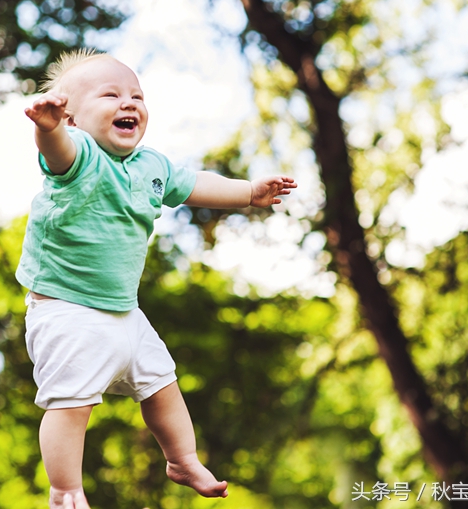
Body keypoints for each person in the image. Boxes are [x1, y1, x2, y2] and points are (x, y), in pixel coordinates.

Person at [17, 49, 296, 509]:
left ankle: (183, 459)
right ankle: (65, 489)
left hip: (125, 311)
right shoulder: (79, 154)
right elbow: (58, 152)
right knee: (71, 404)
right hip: (67, 310)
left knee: (162, 384)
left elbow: (196, 184)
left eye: (137, 96)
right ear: (73, 117)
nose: (129, 103)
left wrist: (248, 193)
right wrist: (47, 129)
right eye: (110, 95)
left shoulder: (151, 166)